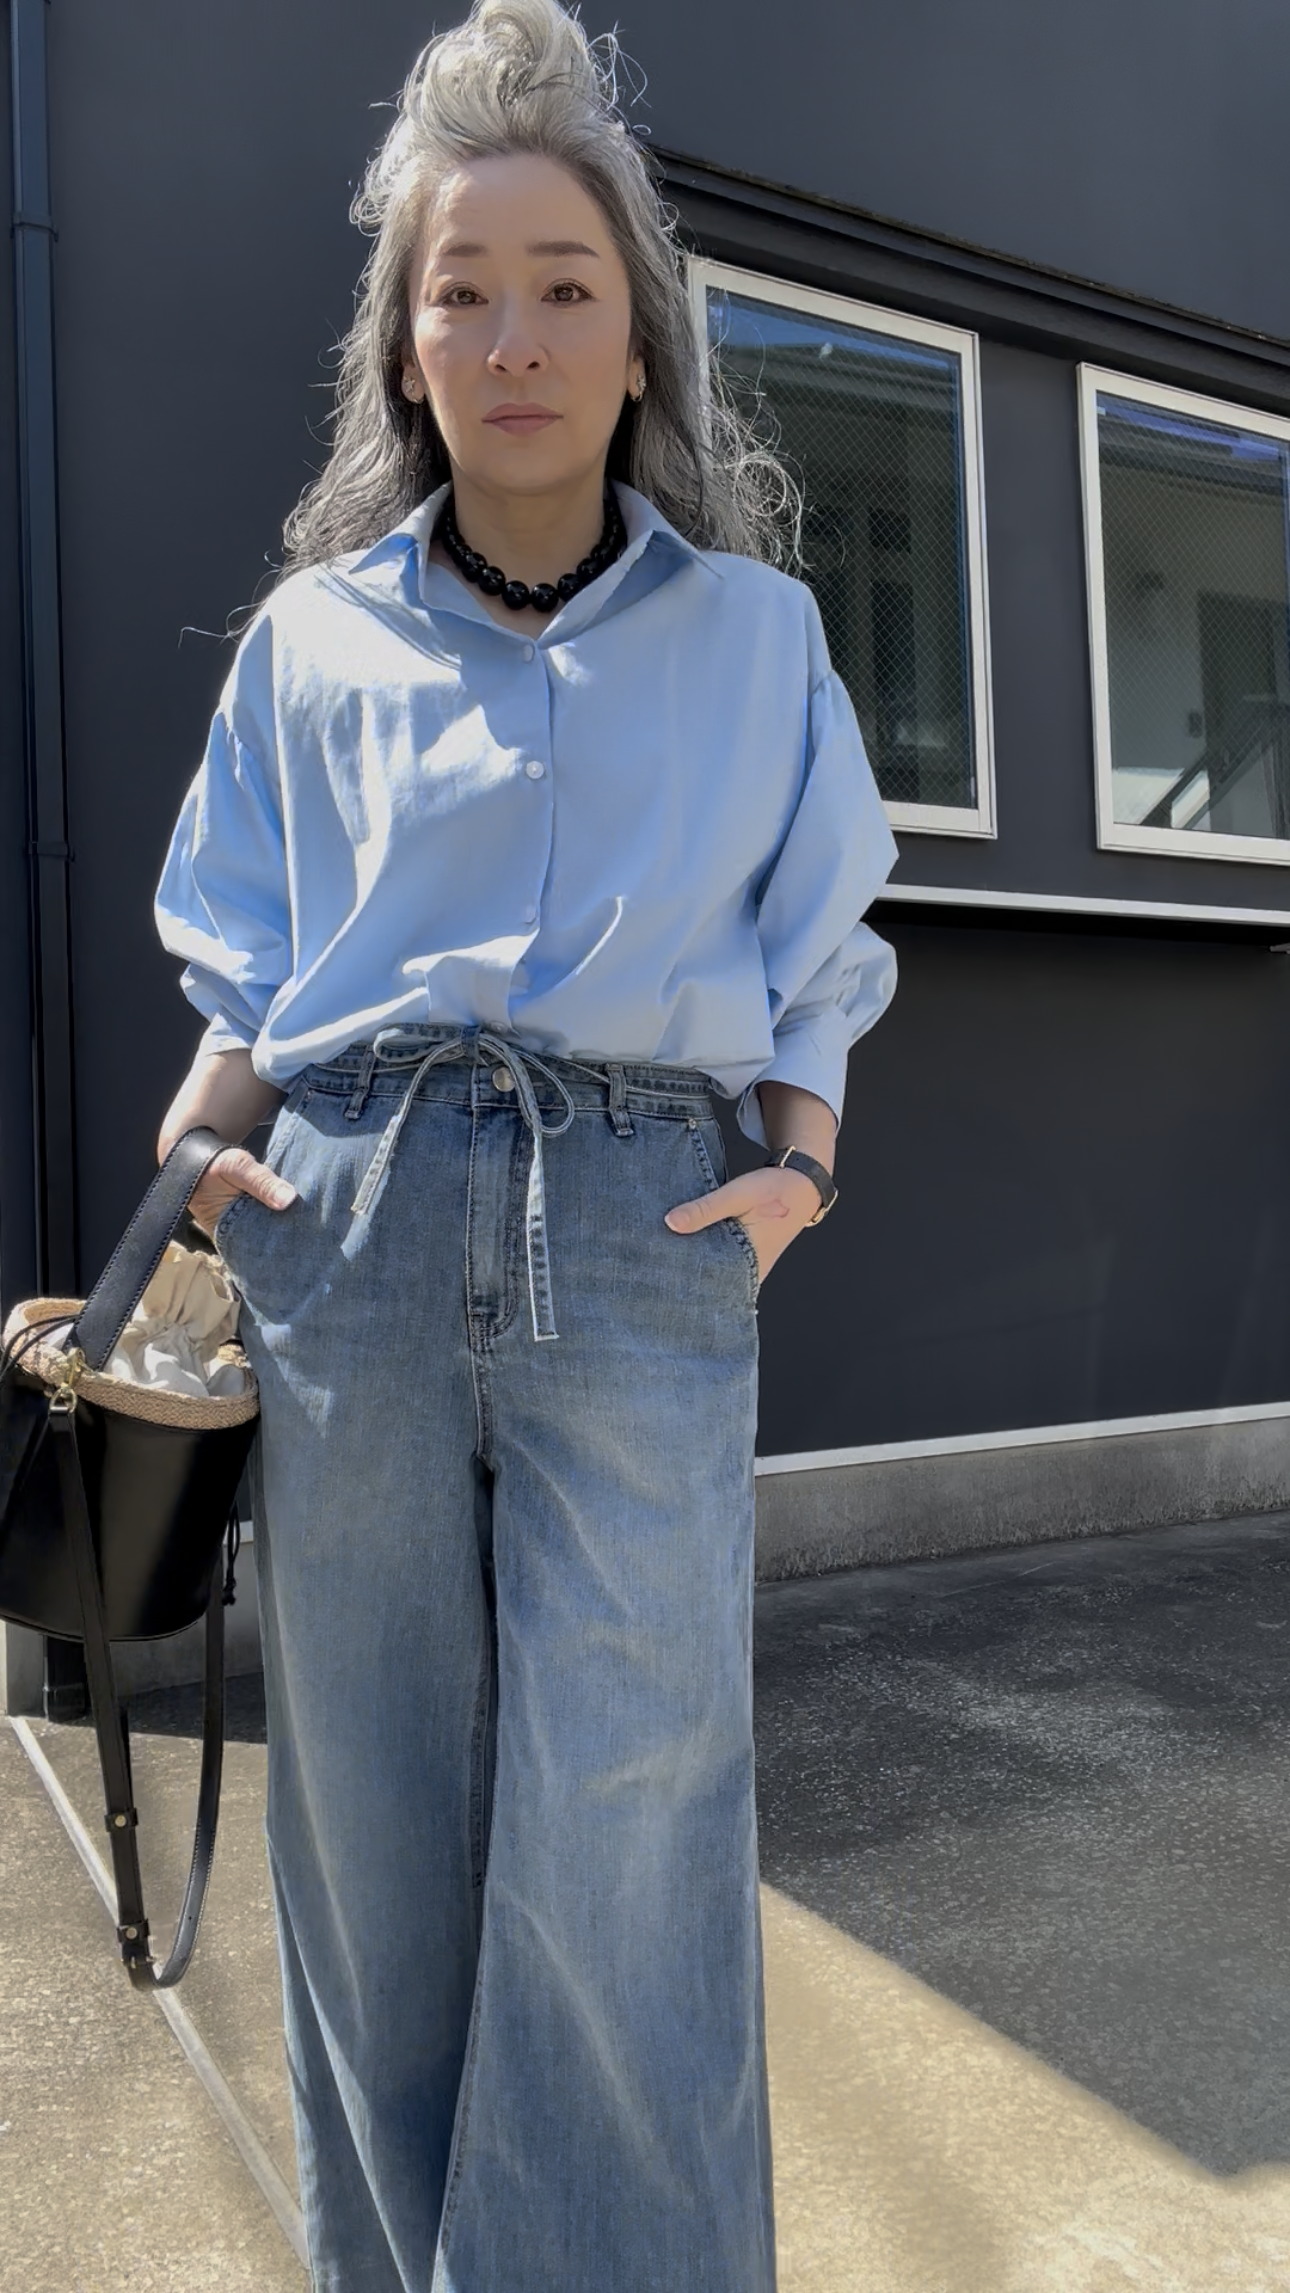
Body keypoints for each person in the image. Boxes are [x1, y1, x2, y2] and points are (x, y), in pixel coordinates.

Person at [153, 2, 897, 2284]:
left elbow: (825, 948)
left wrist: (792, 1177)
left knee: (631, 1834)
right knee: (371, 1839)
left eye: (564, 285)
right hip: (351, 1227)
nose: (515, 336)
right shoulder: (308, 646)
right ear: (403, 350)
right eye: (460, 290)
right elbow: (241, 967)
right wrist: (200, 1183)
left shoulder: (759, 638)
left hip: (645, 1222)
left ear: (639, 337)